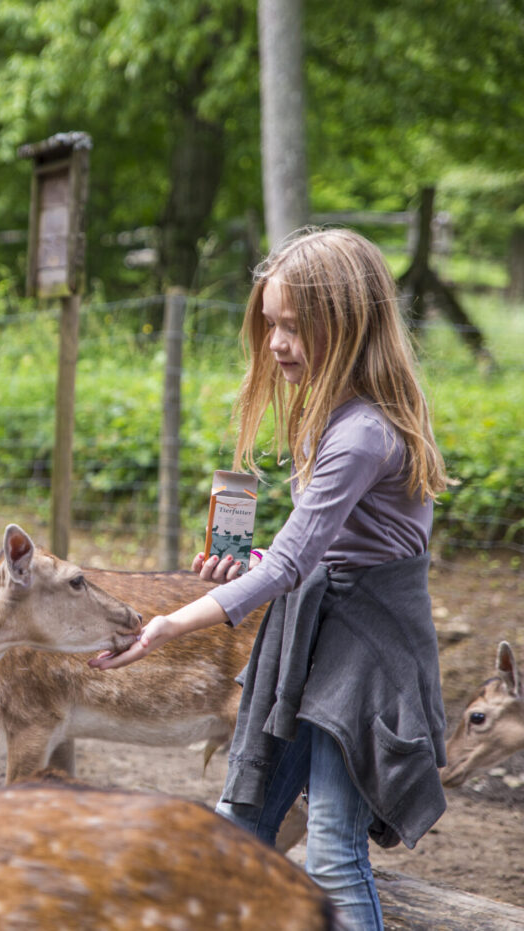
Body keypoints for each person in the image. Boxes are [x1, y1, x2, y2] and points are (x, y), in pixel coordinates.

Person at [90, 227, 449, 931]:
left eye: (295, 325)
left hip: (364, 654)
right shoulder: (333, 415)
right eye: (272, 324)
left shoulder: (360, 434)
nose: (278, 342)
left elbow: (294, 564)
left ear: (347, 322)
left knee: (335, 857)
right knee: (237, 829)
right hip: (317, 639)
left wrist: (169, 623)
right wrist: (247, 568)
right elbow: (312, 555)